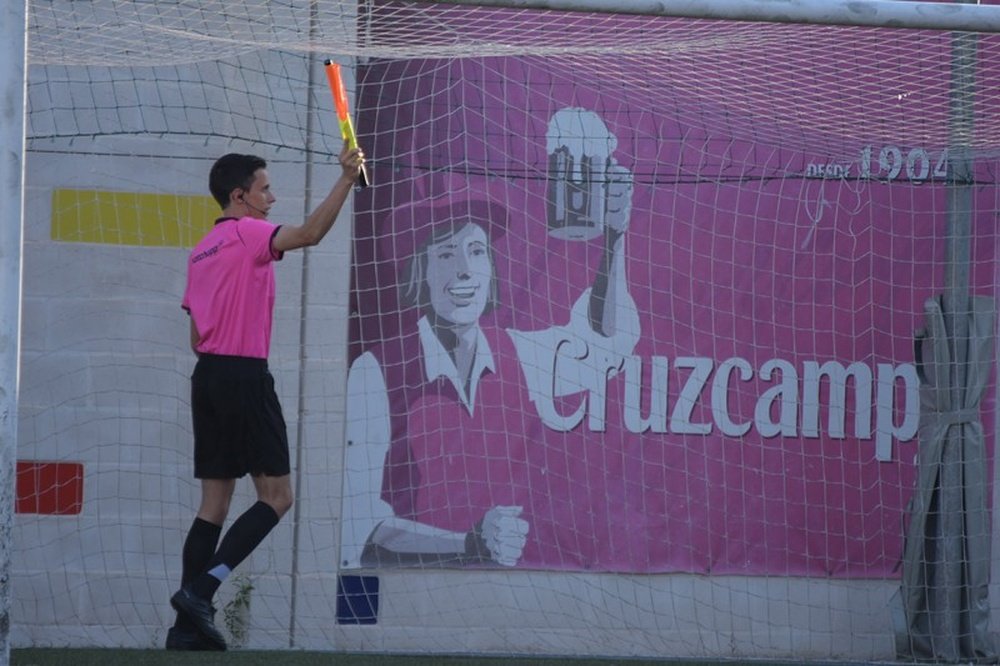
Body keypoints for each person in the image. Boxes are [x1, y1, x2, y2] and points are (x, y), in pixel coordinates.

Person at [340, 154, 638, 570]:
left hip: (502, 593)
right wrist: (467, 543)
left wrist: (613, 237)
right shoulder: (375, 370)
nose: (464, 271)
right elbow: (359, 528)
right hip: (409, 592)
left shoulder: (519, 354)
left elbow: (606, 350)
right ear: (420, 273)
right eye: (445, 255)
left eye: (476, 251)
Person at [167, 142, 365, 651]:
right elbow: (311, 235)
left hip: (207, 377)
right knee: (277, 498)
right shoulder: (246, 234)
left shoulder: (200, 249)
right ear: (240, 196)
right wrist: (347, 178)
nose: (272, 198)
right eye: (265, 189)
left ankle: (185, 631)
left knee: (213, 505)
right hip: (243, 376)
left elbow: (195, 337)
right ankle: (203, 590)